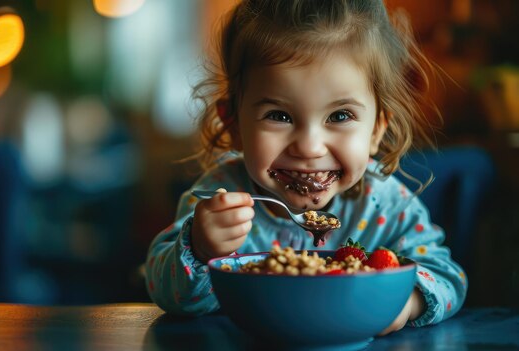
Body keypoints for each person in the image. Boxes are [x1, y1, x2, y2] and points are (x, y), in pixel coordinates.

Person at [145, 0, 467, 335]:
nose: (309, 147)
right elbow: (170, 294)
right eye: (279, 116)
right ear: (234, 126)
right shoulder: (220, 196)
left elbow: (448, 276)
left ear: (375, 131)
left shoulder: (388, 203)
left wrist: (405, 304)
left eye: (340, 116)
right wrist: (199, 248)